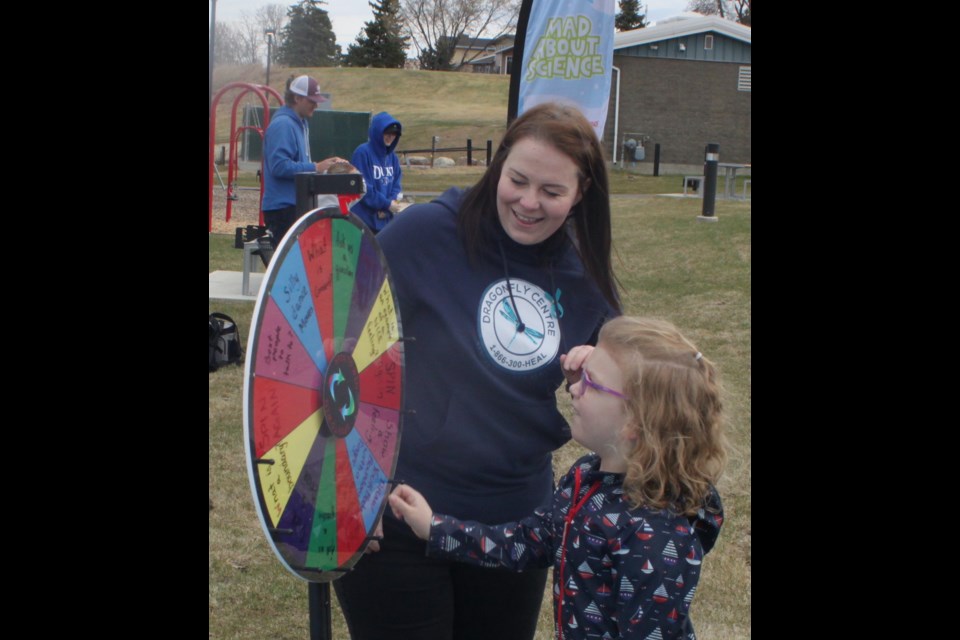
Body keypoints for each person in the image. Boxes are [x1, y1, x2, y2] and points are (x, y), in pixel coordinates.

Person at [332, 102, 623, 640]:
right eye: (518, 180)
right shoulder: (421, 234)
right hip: (393, 516)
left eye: (553, 192)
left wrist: (596, 371)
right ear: (498, 166)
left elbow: (629, 394)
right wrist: (347, 490)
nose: (529, 203)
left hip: (514, 529)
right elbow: (332, 355)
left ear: (581, 194)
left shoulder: (583, 272)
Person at [388, 316, 728, 640]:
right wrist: (434, 527)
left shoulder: (656, 539)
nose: (574, 389)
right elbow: (525, 542)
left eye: (592, 383)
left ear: (634, 423)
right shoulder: (585, 478)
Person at [261, 74, 348, 248]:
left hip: (294, 205)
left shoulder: (299, 124)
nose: (316, 105)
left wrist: (322, 167)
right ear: (297, 98)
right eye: (312, 100)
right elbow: (279, 166)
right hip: (283, 208)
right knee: (291, 269)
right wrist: (315, 167)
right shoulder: (284, 125)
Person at [349, 112, 404, 233]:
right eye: (387, 133)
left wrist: (389, 205)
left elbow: (397, 185)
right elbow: (363, 187)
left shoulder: (393, 158)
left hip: (385, 221)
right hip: (363, 222)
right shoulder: (362, 153)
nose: (391, 137)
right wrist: (387, 204)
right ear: (378, 132)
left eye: (394, 134)